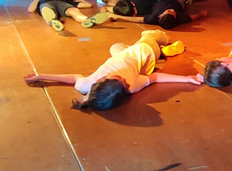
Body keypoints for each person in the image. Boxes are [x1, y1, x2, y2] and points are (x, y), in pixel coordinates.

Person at [23, 30, 202, 111]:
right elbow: (155, 77)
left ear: (101, 80)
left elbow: (73, 78)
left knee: (115, 47)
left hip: (124, 55)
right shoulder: (132, 85)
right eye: (125, 84)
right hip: (144, 54)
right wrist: (187, 78)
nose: (125, 80)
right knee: (149, 35)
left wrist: (41, 76)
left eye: (120, 79)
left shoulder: (86, 86)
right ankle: (163, 46)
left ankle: (161, 51)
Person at [111, 0, 207, 30]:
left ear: (160, 15)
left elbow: (139, 19)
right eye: (172, 12)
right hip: (175, 2)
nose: (172, 10)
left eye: (169, 11)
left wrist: (119, 17)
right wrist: (202, 13)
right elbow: (193, 17)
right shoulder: (180, 17)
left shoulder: (153, 17)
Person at [27, 0, 109, 32]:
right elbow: (30, 9)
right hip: (47, 3)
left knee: (74, 10)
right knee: (47, 10)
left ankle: (88, 20)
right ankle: (53, 21)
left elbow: (88, 5)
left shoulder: (67, 1)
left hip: (63, 4)